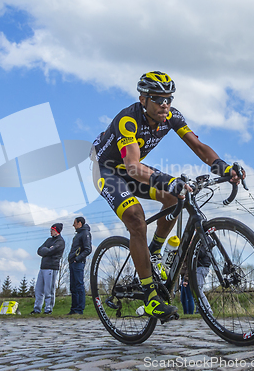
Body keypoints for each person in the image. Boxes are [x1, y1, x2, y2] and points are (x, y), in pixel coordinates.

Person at [91, 71, 244, 320]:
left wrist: (223, 167)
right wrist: (169, 181)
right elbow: (131, 165)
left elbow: (198, 146)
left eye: (168, 99)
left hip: (134, 171)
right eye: (158, 99)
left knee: (175, 198)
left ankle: (154, 251)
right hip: (109, 171)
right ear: (143, 99)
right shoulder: (128, 120)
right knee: (136, 218)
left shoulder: (171, 117)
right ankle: (150, 296)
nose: (164, 105)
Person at [30, 223, 65, 315]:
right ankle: (37, 308)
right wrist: (46, 250)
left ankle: (48, 308)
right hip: (43, 267)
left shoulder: (60, 242)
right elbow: (40, 250)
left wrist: (46, 250)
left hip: (51, 268)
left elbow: (50, 251)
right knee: (39, 290)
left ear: (56, 230)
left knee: (48, 290)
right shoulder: (49, 240)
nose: (51, 231)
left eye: (52, 230)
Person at [67, 217, 92, 315]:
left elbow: (88, 249)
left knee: (79, 285)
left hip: (78, 263)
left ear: (79, 223)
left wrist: (77, 259)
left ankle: (79, 309)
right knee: (73, 286)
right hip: (73, 263)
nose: (73, 225)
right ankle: (73, 309)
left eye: (75, 223)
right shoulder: (78, 234)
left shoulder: (85, 233)